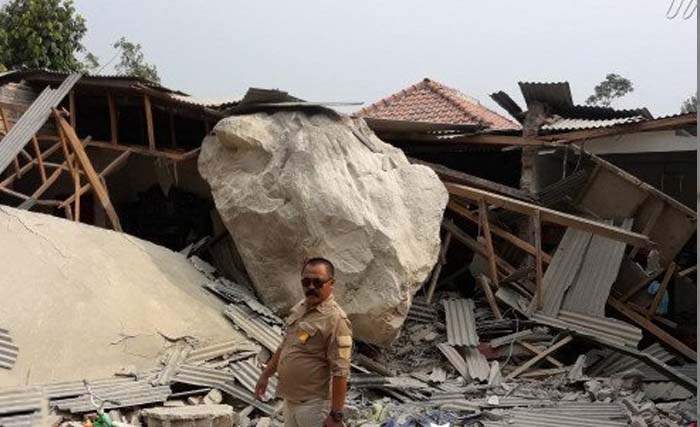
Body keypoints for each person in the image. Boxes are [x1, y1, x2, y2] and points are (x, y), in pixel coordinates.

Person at [255, 257, 352, 427]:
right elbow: (285, 346)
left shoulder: (336, 320)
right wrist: (265, 375)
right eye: (306, 282)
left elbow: (341, 371)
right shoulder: (301, 307)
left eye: (318, 282)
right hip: (290, 402)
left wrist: (336, 414)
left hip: (314, 406)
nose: (311, 287)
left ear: (331, 283)